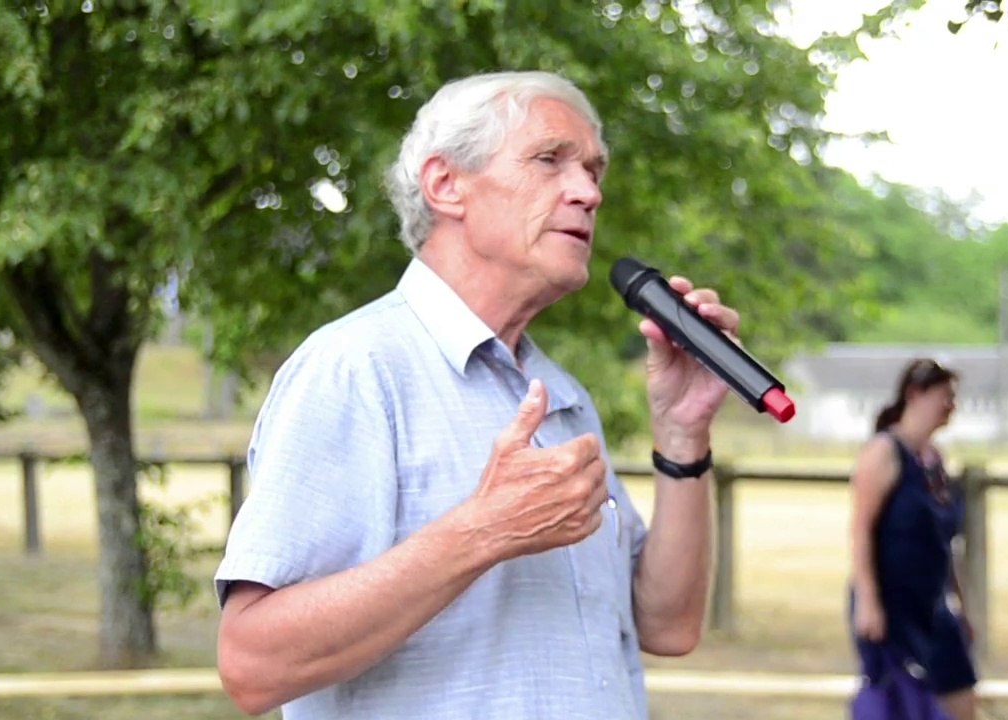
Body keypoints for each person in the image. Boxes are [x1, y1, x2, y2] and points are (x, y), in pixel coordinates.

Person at [213, 70, 741, 720]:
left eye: (593, 171)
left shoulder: (560, 396)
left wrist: (683, 435)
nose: (588, 192)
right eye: (551, 160)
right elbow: (252, 666)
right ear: (446, 184)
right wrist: (483, 530)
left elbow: (669, 627)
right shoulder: (355, 369)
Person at [848, 358, 978, 720]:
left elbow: (944, 543)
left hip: (933, 605)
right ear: (915, 394)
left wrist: (961, 606)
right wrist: (869, 602)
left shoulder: (935, 460)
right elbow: (861, 529)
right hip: (892, 606)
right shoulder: (884, 452)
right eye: (945, 396)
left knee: (961, 696)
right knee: (901, 706)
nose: (951, 405)